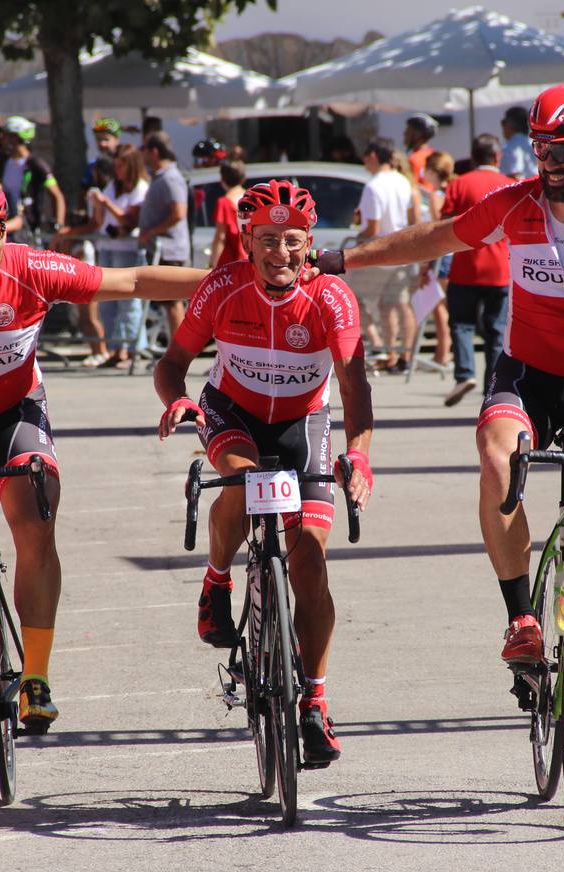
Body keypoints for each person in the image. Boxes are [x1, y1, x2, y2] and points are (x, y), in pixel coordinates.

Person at [309, 83, 564, 753]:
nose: (548, 164)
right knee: (497, 457)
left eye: (561, 151)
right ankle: (522, 620)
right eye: (540, 149)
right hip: (527, 375)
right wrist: (342, 259)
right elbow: (434, 238)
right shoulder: (520, 205)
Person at [0, 174, 208, 733]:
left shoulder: (32, 269)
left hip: (14, 414)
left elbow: (132, 280)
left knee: (35, 519)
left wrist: (229, 278)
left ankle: (36, 677)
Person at [153, 180, 375, 767]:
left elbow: (354, 383)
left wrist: (361, 453)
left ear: (310, 243)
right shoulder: (222, 287)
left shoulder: (331, 297)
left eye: (293, 241)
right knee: (243, 484)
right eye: (268, 240)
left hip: (304, 420)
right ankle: (217, 581)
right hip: (232, 411)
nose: (280, 252)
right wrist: (177, 400)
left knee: (310, 562)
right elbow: (173, 362)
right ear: (247, 241)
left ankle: (315, 701)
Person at [440, 134, 511, 407]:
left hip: (465, 267)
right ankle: (492, 387)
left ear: (472, 157)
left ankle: (464, 374)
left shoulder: (459, 184)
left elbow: (444, 225)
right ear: (497, 157)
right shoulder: (508, 185)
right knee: (496, 330)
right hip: (500, 270)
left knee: (461, 324)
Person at [66, 145, 150, 367]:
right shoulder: (114, 186)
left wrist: (106, 203)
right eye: (116, 166)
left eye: (121, 166)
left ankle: (129, 349)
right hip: (108, 247)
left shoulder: (140, 188)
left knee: (128, 302)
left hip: (128, 250)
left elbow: (127, 221)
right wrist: (98, 206)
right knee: (107, 302)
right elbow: (100, 222)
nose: (118, 170)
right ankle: (115, 347)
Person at [349, 138, 417, 372]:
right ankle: (402, 357)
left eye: (366, 157)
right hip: (403, 251)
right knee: (397, 304)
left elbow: (373, 229)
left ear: (374, 156)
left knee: (351, 299)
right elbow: (411, 219)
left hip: (380, 253)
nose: (365, 162)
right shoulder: (403, 181)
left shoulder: (374, 186)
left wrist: (358, 239)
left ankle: (380, 347)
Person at [137, 132, 191, 341]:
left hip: (170, 249)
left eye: (144, 150)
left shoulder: (171, 178)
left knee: (173, 301)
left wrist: (151, 231)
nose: (142, 154)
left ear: (154, 151)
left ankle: (180, 349)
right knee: (169, 302)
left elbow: (178, 213)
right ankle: (177, 347)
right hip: (163, 249)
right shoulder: (161, 177)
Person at [0, 115, 66, 245]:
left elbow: (57, 195)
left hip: (29, 229)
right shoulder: (4, 162)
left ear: (15, 137)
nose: (1, 140)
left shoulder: (35, 164)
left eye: (5, 136)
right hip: (9, 225)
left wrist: (59, 227)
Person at [418, 151, 454, 367]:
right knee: (444, 305)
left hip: (441, 255)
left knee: (438, 305)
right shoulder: (451, 190)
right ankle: (445, 350)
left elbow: (435, 230)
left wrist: (427, 261)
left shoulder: (435, 196)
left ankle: (443, 351)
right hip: (453, 254)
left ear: (432, 171)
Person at [208, 159, 247, 269]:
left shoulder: (224, 202)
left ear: (222, 179)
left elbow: (220, 237)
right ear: (243, 178)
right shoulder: (252, 199)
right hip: (250, 261)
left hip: (230, 264)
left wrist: (212, 264)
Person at [499, 106, 538, 180]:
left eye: (503, 123)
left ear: (510, 124)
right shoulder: (536, 145)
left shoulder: (509, 148)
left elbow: (516, 174)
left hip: (521, 188)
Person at [404, 113, 439, 181]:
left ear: (418, 135)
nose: (404, 133)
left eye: (408, 130)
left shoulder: (414, 159)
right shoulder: (435, 156)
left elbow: (412, 186)